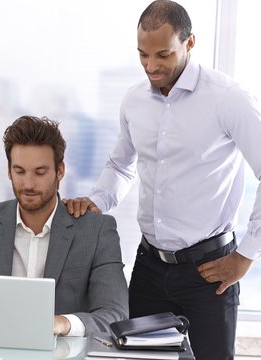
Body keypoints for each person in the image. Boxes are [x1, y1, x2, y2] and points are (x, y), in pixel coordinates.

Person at [63, 1, 261, 358]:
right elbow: (121, 165)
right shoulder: (134, 100)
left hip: (209, 271)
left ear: (190, 43)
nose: (151, 66)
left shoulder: (229, 99)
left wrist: (246, 256)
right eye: (143, 55)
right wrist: (98, 201)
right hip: (149, 267)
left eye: (163, 55)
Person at [0, 115, 128, 337]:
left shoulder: (97, 231)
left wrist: (63, 324)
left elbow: (114, 315)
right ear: (9, 170)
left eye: (40, 172)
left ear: (60, 171)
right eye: (20, 171)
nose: (29, 184)